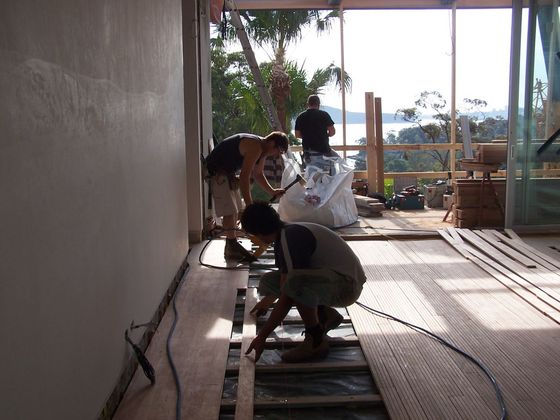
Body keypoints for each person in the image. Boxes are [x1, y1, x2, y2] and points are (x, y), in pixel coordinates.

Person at [240, 202, 366, 363]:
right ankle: (326, 316)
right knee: (270, 280)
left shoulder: (291, 239)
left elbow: (288, 292)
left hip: (347, 288)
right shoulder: (286, 234)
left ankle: (315, 341)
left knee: (296, 282)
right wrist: (266, 303)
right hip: (337, 280)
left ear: (258, 233)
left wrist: (262, 336)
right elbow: (283, 280)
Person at [205, 132, 289, 261]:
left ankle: (231, 244)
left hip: (227, 172)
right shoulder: (255, 146)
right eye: (279, 150)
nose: (277, 155)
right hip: (216, 171)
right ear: (272, 143)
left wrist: (272, 191)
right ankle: (231, 246)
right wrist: (250, 206)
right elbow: (245, 176)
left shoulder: (262, 151)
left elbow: (258, 174)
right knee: (230, 210)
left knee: (236, 209)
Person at [294, 94, 338, 175]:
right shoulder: (324, 115)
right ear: (318, 104)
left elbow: (297, 135)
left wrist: (308, 136)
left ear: (308, 104)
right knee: (336, 168)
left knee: (312, 181)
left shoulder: (301, 116)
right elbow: (332, 132)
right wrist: (325, 135)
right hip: (324, 152)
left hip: (308, 154)